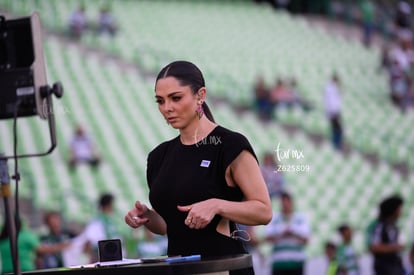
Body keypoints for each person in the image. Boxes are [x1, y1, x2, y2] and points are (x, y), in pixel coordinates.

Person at [124, 60, 272, 275]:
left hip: (223, 268)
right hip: (179, 268)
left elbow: (264, 211)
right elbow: (169, 226)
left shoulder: (230, 144)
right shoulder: (158, 156)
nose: (167, 108)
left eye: (176, 98)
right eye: (160, 100)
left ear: (200, 95)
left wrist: (216, 205)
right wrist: (147, 217)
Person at [0, 216, 69, 273]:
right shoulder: (25, 236)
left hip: (5, 271)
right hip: (23, 270)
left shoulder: (2, 238)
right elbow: (42, 250)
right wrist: (63, 246)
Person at [265, 191, 311, 275]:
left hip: (296, 263)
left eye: (287, 201)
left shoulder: (300, 218)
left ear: (291, 202)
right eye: (283, 201)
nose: (285, 204)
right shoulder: (274, 218)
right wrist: (283, 234)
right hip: (279, 264)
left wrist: (292, 233)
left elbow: (306, 240)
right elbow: (267, 238)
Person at [366, 194, 405, 275]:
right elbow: (374, 247)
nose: (401, 211)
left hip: (395, 266)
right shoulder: (379, 226)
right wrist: (394, 248)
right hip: (384, 268)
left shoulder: (394, 227)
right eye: (399, 208)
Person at [81, 193, 123, 263]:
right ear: (108, 205)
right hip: (103, 261)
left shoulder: (110, 221)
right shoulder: (96, 221)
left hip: (113, 259)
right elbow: (89, 243)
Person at [323, 73, 343, 151]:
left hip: (333, 111)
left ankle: (336, 144)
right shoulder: (330, 88)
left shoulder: (332, 87)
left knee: (336, 128)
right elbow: (331, 101)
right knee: (337, 129)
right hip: (333, 111)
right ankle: (336, 144)